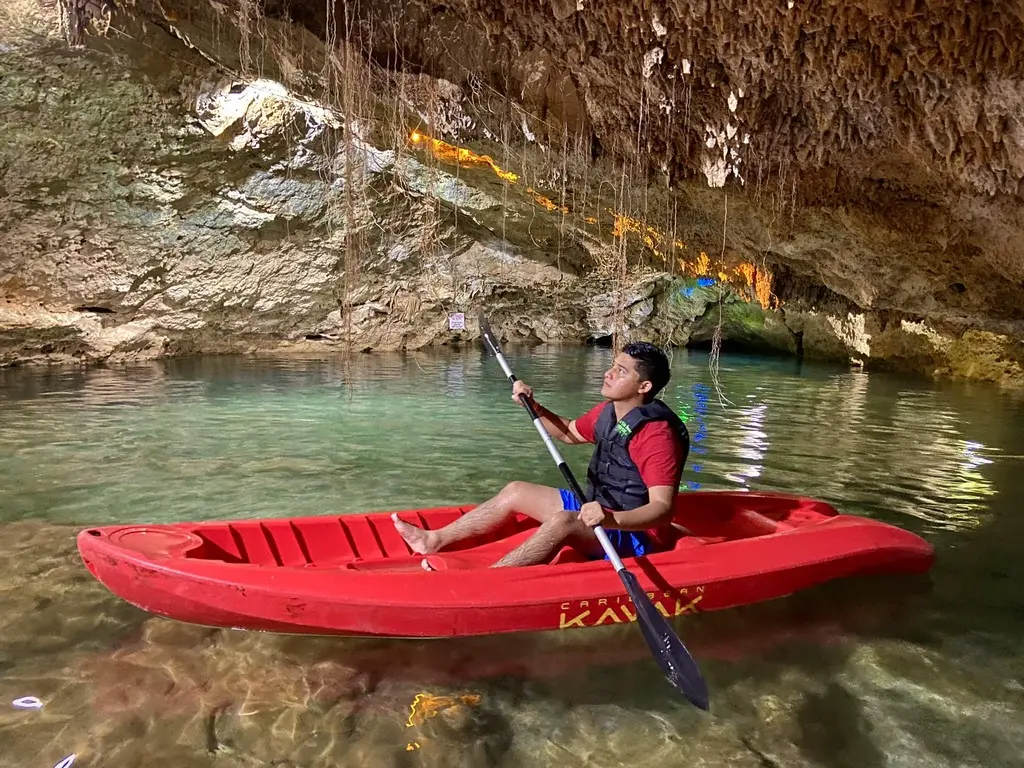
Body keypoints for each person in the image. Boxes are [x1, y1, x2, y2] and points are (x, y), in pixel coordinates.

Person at [392, 341, 690, 568]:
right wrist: (533, 407)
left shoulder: (655, 435)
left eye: (620, 372)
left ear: (645, 386)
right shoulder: (609, 412)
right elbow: (570, 432)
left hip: (635, 534)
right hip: (598, 509)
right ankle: (433, 540)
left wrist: (611, 519)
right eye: (613, 365)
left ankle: (492, 578)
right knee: (516, 491)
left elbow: (663, 509)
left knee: (564, 521)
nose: (608, 373)